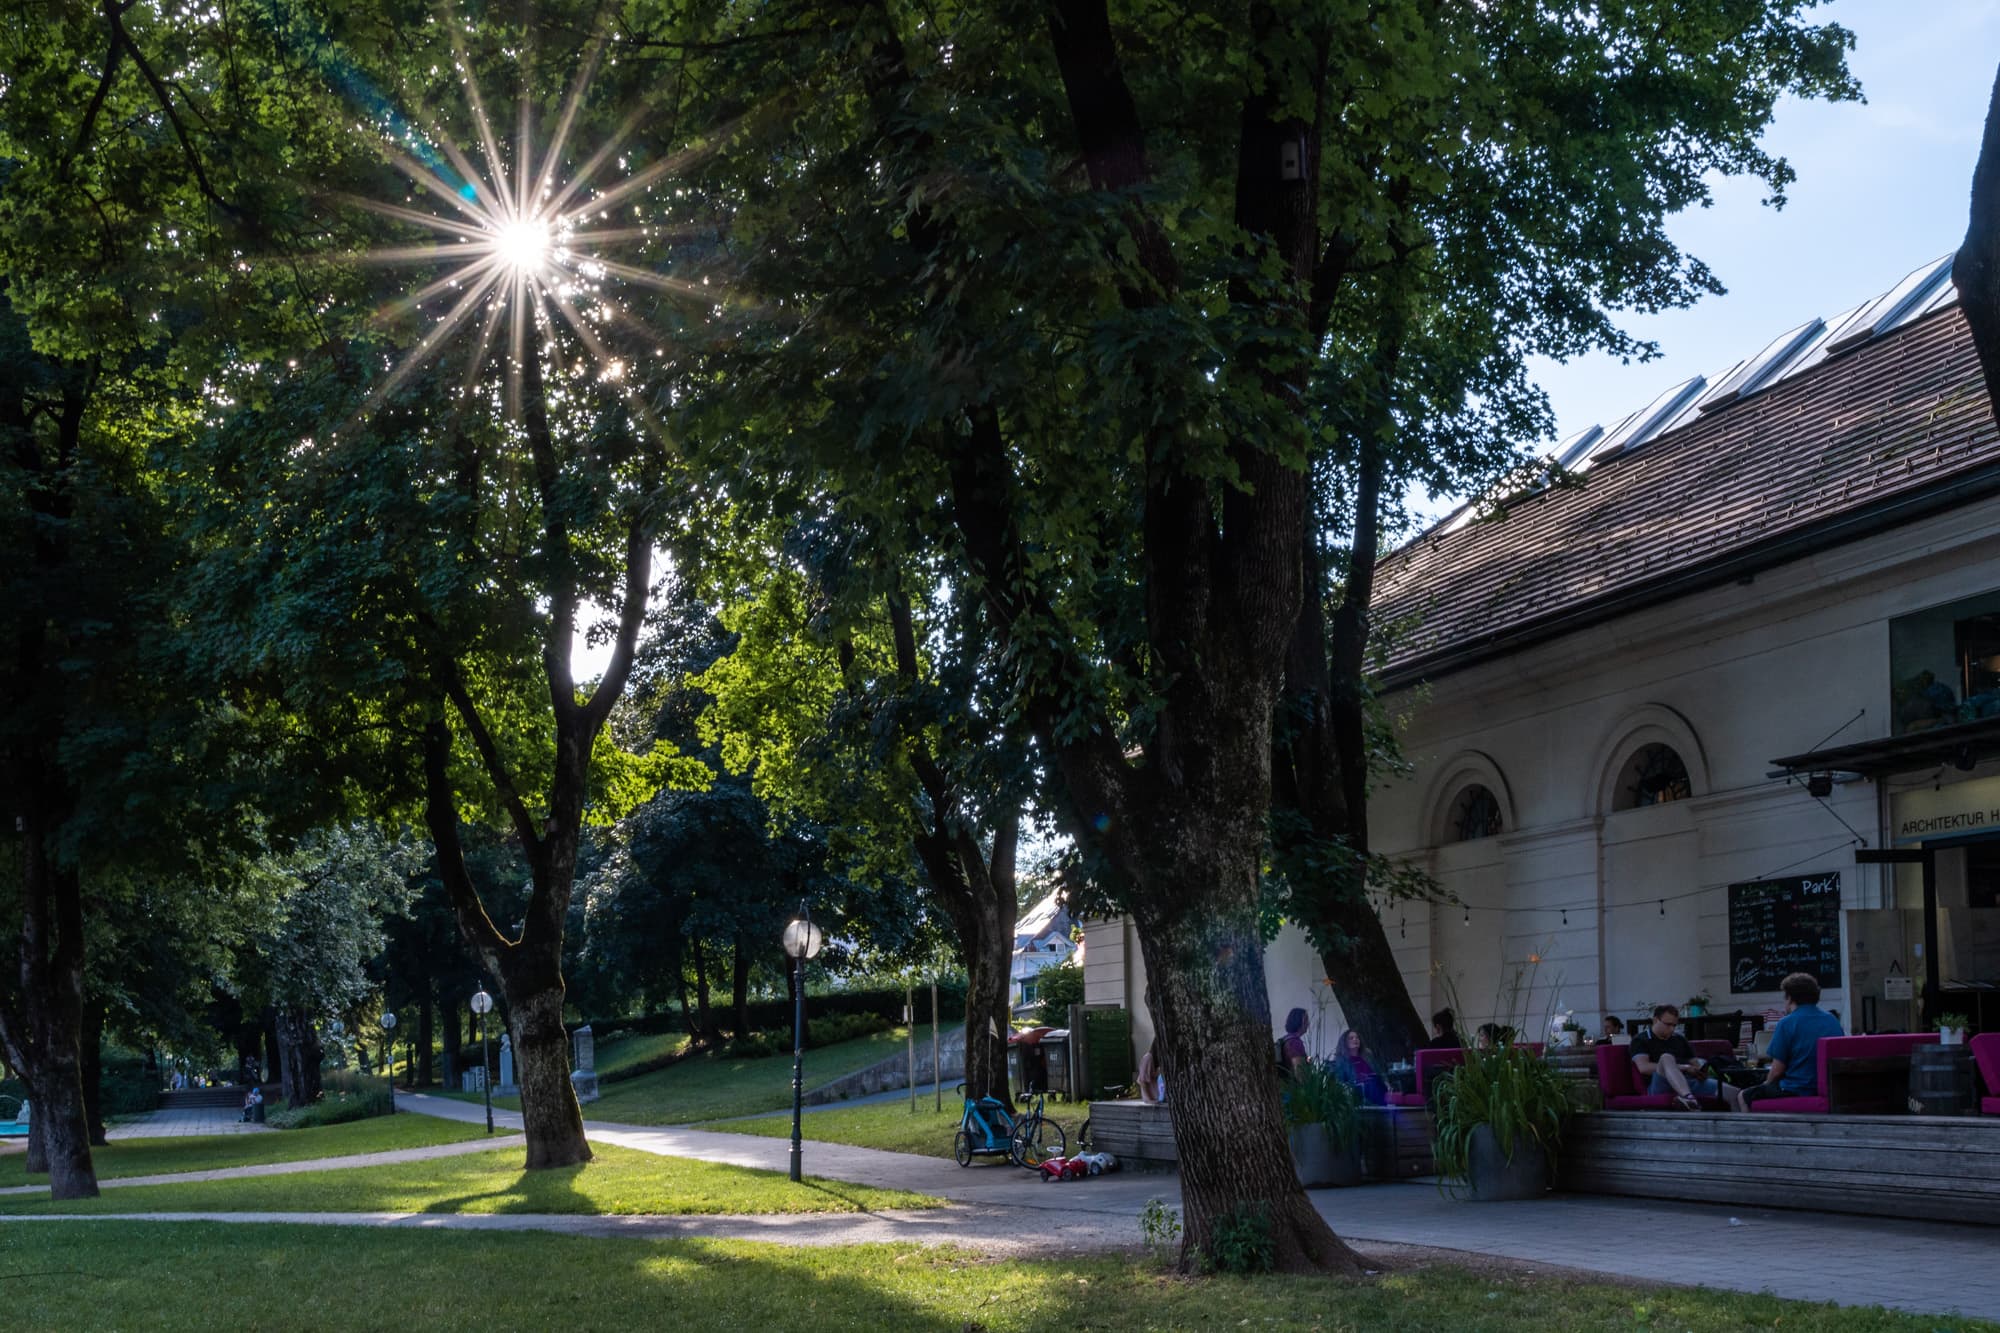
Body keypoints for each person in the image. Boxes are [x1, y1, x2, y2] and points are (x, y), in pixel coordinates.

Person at [1725, 972, 1843, 1112]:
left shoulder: (1787, 1023)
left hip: (1797, 1088)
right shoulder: (1832, 1020)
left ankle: (1750, 1131)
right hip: (1829, 1088)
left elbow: (1777, 1071)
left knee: (1743, 1096)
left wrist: (1766, 1084)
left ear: (1790, 998)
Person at [1630, 1004, 1719, 1111]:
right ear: (1655, 1020)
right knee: (1666, 1058)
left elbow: (1695, 1062)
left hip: (1687, 1081)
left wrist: (1699, 1071)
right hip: (1660, 1083)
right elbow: (1644, 1068)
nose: (1672, 1029)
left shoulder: (1679, 1039)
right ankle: (1688, 1098)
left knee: (1732, 1092)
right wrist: (1684, 1067)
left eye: (1674, 1025)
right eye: (1668, 1025)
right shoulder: (1640, 1040)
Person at [1332, 1029, 1388, 1105]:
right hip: (1359, 1092)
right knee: (1370, 1085)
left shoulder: (1367, 1056)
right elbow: (1340, 1081)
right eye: (1351, 1038)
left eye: (1357, 1037)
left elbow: (1379, 1072)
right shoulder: (1341, 1060)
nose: (1355, 1039)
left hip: (1378, 1087)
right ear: (1344, 1042)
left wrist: (1386, 1082)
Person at [1277, 1008, 1310, 1075]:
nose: (1308, 1023)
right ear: (1299, 1021)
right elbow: (1299, 1072)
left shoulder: (1284, 1039)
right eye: (1306, 1020)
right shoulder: (1295, 1043)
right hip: (1292, 1084)